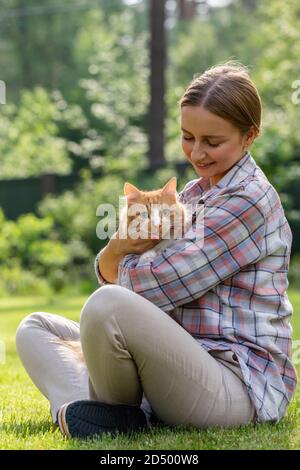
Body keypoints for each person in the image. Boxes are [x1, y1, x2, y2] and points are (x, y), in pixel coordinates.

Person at [15, 61, 297, 439]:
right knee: (36, 328)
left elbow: (155, 285)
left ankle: (105, 412)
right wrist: (117, 255)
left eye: (213, 142)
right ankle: (100, 414)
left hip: (235, 384)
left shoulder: (248, 200)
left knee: (107, 305)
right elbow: (136, 278)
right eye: (187, 137)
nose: (197, 153)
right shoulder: (196, 193)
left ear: (249, 136)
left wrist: (114, 253)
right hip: (175, 370)